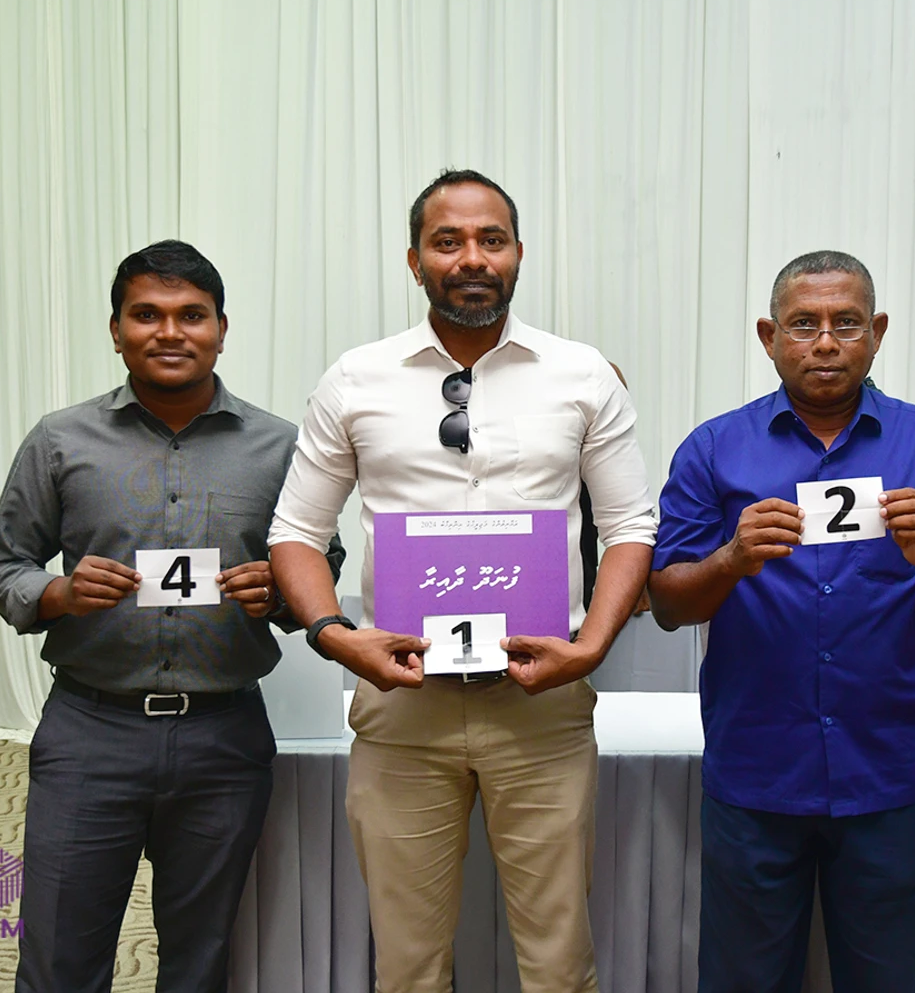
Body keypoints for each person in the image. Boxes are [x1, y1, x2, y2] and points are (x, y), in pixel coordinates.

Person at [268, 168, 656, 993]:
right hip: (402, 701)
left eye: (491, 239)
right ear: (415, 261)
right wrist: (336, 637)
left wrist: (591, 648)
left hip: (542, 701)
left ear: (519, 254)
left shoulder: (583, 374)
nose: (471, 257)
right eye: (447, 242)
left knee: (559, 963)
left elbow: (630, 527)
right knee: (407, 965)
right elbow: (295, 532)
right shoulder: (356, 378)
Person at [0, 240, 343, 993]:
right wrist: (59, 594)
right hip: (89, 733)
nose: (169, 332)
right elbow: (0, 565)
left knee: (202, 960)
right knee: (58, 959)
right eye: (147, 315)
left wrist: (278, 592)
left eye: (191, 315)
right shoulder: (59, 440)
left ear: (221, 329)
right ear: (116, 330)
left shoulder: (281, 447)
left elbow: (323, 562)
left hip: (224, 741)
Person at [648, 250, 915, 992]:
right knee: (744, 979)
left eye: (847, 324)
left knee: (883, 977)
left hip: (886, 768)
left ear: (878, 332)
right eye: (804, 325)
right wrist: (731, 558)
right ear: (769, 336)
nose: (827, 343)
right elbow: (670, 604)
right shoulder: (714, 447)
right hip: (757, 769)